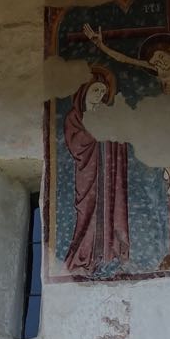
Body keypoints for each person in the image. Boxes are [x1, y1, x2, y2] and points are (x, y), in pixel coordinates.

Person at [61, 70, 131, 274]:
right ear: (84, 91)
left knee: (110, 209)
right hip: (89, 174)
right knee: (88, 213)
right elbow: (75, 144)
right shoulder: (75, 117)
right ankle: (85, 258)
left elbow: (118, 139)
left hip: (108, 173)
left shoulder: (107, 115)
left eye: (103, 91)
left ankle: (110, 255)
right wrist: (94, 128)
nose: (100, 94)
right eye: (96, 90)